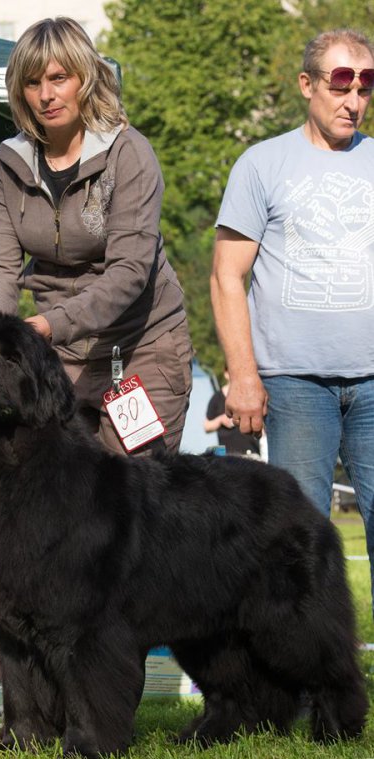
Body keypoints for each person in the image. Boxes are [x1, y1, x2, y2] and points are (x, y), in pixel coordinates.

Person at [0, 17, 192, 456]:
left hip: (140, 350)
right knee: (60, 501)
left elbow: (131, 269)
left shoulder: (129, 153)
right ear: (20, 91)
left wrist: (52, 325)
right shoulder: (5, 164)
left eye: (59, 78)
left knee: (132, 502)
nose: (47, 95)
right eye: (33, 82)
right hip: (58, 357)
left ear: (85, 78)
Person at [211, 29, 374, 608]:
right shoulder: (263, 163)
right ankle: (300, 687)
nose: (353, 99)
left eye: (365, 84)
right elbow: (226, 276)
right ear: (307, 85)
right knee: (299, 546)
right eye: (339, 83)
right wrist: (243, 375)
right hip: (294, 385)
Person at [205, 368, 260, 455]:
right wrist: (220, 420)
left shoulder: (249, 395)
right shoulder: (216, 398)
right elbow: (206, 426)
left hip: (251, 452)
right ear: (226, 374)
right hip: (227, 454)